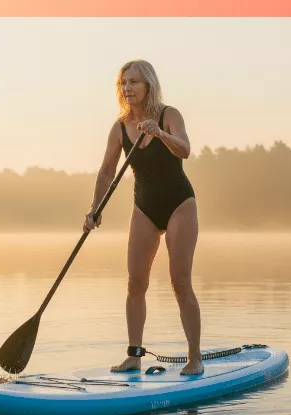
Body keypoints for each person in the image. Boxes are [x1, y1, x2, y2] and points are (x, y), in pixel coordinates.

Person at [83, 60, 203, 375]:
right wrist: (95, 208)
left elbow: (185, 150)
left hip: (179, 204)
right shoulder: (120, 127)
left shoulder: (169, 115)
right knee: (136, 283)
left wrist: (160, 132)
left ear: (148, 84)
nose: (128, 88)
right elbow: (107, 170)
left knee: (180, 282)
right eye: (124, 83)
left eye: (134, 82)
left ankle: (195, 358)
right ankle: (134, 355)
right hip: (144, 208)